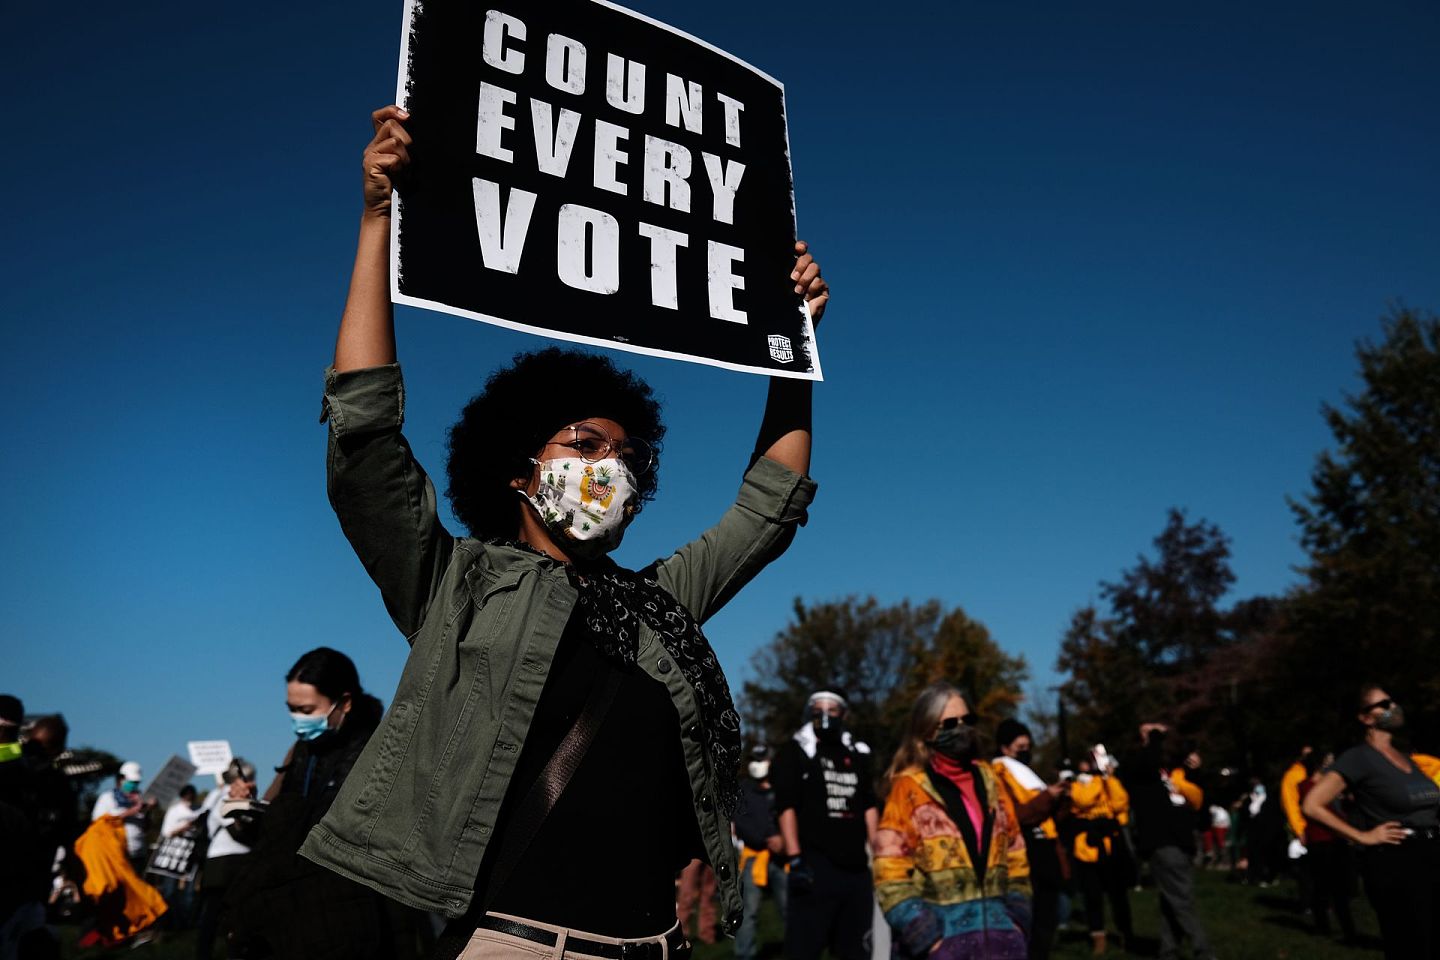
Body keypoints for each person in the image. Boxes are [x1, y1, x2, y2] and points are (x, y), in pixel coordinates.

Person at [297, 105, 828, 960]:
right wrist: (376, 219)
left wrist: (791, 347)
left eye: (627, 454)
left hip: (657, 948)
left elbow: (770, 505)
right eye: (583, 445)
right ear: (517, 469)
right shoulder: (454, 583)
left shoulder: (661, 606)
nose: (609, 468)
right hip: (517, 947)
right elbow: (363, 439)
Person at [227, 647, 423, 959]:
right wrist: (244, 809)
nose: (297, 721)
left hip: (356, 917)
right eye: (291, 709)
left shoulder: (379, 750)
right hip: (297, 912)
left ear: (344, 703)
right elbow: (273, 830)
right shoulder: (302, 751)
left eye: (306, 711)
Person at [874, 682, 1031, 960]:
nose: (960, 729)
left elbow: (1016, 851)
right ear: (927, 730)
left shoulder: (992, 780)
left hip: (1001, 944)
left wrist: (1017, 917)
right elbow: (889, 872)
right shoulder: (909, 789)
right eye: (949, 723)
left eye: (966, 720)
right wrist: (925, 934)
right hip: (940, 948)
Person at [1302, 684, 1440, 958]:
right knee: (1413, 944)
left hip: (1431, 856)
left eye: (1393, 701)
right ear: (1365, 717)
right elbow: (1312, 804)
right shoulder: (1357, 758)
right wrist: (1363, 836)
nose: (1393, 707)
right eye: (1384, 704)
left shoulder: (1406, 758)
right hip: (1397, 861)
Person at [771, 689, 878, 960]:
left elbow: (868, 804)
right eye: (818, 710)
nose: (825, 716)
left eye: (832, 710)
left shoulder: (856, 753)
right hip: (815, 866)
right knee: (804, 949)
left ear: (843, 714)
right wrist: (795, 858)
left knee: (855, 950)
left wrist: (876, 852)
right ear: (810, 713)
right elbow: (787, 806)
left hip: (855, 869)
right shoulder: (796, 751)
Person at [1121, 725, 1213, 960]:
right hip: (1163, 841)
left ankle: (1168, 950)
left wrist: (1195, 771)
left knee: (1171, 900)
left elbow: (1201, 805)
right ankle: (1202, 950)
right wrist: (1152, 736)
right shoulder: (1140, 771)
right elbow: (1146, 760)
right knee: (1182, 898)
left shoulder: (1175, 774)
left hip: (1181, 841)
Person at [991, 718, 1067, 960]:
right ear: (1005, 749)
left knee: (1048, 915)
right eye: (1019, 748)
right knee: (1028, 918)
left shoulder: (1028, 775)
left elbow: (1051, 817)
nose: (1025, 753)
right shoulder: (1000, 774)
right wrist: (1047, 798)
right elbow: (1018, 815)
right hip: (1025, 852)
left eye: (1027, 747)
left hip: (1047, 849)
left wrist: (1063, 798)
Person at [1067, 749, 1131, 954]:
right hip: (1087, 847)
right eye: (1088, 763)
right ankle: (1098, 936)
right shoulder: (1078, 784)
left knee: (1118, 894)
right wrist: (1097, 781)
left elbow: (1120, 802)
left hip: (1111, 846)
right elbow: (1083, 801)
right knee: (1092, 895)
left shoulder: (1109, 781)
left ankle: (1125, 933)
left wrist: (1108, 779)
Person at [195, 758, 257, 960]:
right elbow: (238, 831)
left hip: (236, 862)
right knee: (213, 916)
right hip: (222, 864)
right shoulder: (223, 797)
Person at [732, 745, 787, 960]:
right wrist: (767, 839)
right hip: (754, 858)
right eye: (754, 759)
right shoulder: (743, 790)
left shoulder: (783, 788)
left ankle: (798, 949)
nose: (758, 764)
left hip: (782, 859)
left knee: (789, 908)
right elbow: (741, 823)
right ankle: (744, 955)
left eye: (762, 759)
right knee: (748, 913)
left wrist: (782, 840)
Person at [1296, 751, 1356, 942]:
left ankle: (1339, 928)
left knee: (1331, 888)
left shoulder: (1320, 787)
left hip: (1330, 840)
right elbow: (1322, 813)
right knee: (1327, 888)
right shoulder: (1310, 788)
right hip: (1324, 841)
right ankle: (1337, 928)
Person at [90, 761, 154, 871]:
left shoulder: (140, 800)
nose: (134, 785)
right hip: (114, 855)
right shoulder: (107, 798)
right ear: (121, 779)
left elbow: (146, 828)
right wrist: (132, 811)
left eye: (136, 782)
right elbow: (98, 822)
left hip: (137, 854)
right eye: (131, 782)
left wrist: (148, 810)